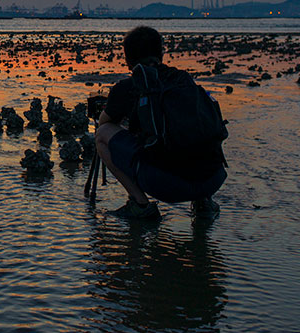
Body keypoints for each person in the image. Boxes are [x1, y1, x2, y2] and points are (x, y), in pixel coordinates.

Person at [95, 26, 227, 220]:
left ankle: (140, 205)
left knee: (102, 135)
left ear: (128, 59)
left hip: (166, 186)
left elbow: (104, 123)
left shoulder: (129, 87)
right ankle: (204, 204)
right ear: (161, 54)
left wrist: (124, 121)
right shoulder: (183, 79)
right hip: (213, 178)